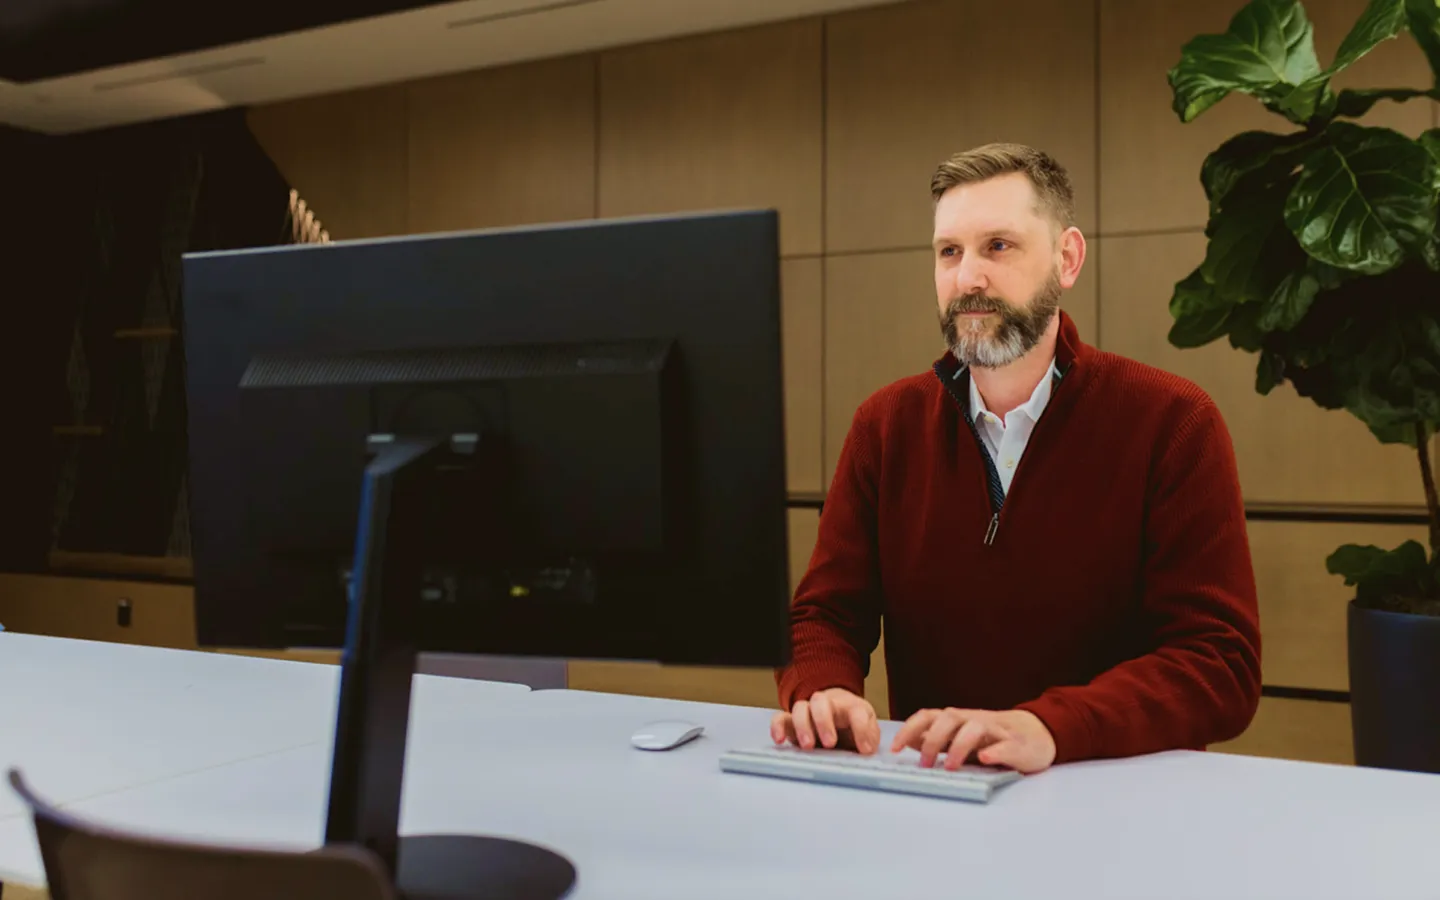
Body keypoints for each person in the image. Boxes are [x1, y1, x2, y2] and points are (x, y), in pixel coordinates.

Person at [770, 143, 1262, 775]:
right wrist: (823, 690)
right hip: (938, 794)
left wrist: (1048, 727)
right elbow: (823, 614)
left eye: (998, 245)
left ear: (1067, 258)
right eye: (950, 251)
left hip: (1115, 801)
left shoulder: (1173, 421)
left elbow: (1218, 663)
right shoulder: (885, 426)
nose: (968, 277)